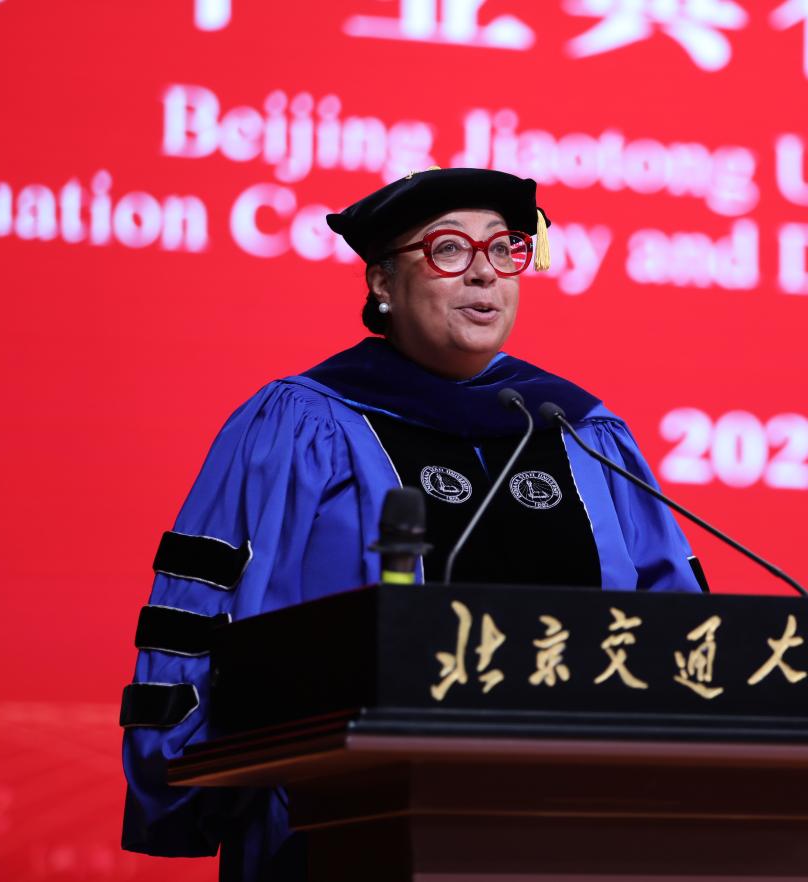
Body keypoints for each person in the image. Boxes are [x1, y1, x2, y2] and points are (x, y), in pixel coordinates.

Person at [120, 167, 703, 881]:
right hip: (339, 823)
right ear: (382, 284)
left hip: (580, 826)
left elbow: (677, 621)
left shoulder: (579, 430)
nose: (484, 274)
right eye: (448, 250)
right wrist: (182, 775)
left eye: (504, 250)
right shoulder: (301, 425)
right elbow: (203, 610)